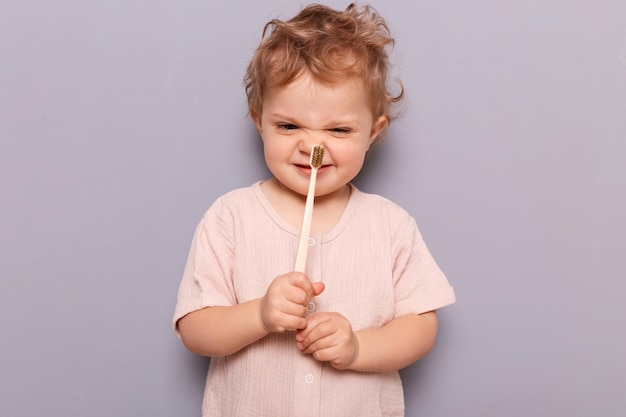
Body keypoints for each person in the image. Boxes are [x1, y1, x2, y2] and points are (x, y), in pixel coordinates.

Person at [173, 3, 456, 416]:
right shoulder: (230, 217)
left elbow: (420, 327)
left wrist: (359, 347)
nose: (311, 146)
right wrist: (261, 314)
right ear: (259, 121)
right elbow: (195, 330)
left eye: (338, 130)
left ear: (373, 132)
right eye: (288, 126)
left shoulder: (390, 225)